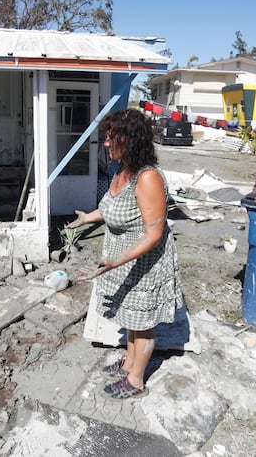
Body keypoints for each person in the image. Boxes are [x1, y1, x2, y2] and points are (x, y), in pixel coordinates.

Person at [68, 108, 183, 400]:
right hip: (121, 258)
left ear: (129, 140)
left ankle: (135, 381)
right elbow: (111, 208)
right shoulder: (122, 171)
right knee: (130, 317)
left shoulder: (147, 178)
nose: (106, 143)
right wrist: (86, 218)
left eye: (111, 137)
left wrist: (114, 261)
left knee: (142, 324)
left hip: (145, 260)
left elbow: (154, 233)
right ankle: (130, 362)